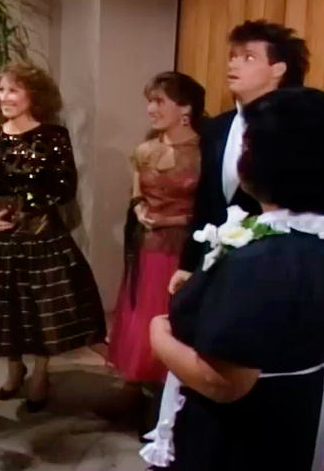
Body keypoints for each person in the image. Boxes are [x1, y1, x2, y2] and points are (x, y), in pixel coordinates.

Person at [145, 87, 324, 470]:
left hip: (248, 431)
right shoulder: (321, 234)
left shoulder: (263, 260)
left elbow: (224, 382)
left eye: (247, 145)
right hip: (300, 408)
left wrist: (159, 334)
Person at [0, 62, 106, 412]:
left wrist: (27, 207)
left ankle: (40, 372)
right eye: (1, 90)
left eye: (13, 90)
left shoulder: (54, 135)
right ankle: (14, 368)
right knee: (5, 307)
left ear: (33, 95)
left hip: (41, 234)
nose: (3, 97)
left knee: (41, 308)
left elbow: (65, 186)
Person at [168, 20, 310, 294]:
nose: (233, 64)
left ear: (278, 69)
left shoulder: (301, 126)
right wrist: (188, 264)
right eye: (232, 56)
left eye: (248, 57)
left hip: (278, 266)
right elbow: (205, 201)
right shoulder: (216, 127)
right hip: (216, 264)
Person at [107, 72, 205, 436]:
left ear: (185, 108)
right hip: (146, 248)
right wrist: (139, 211)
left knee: (171, 317)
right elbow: (136, 194)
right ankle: (135, 391)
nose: (151, 109)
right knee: (139, 317)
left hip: (181, 251)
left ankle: (168, 399)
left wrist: (171, 219)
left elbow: (209, 208)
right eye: (150, 101)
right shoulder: (145, 150)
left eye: (160, 101)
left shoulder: (204, 153)